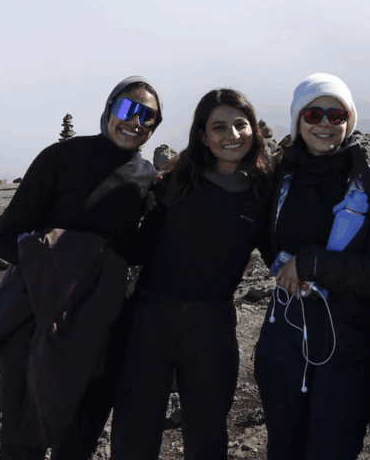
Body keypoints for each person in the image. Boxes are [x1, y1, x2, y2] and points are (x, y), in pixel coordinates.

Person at [0, 76, 162, 460]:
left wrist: (162, 215)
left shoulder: (146, 177)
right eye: (128, 108)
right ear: (109, 108)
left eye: (149, 117)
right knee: (21, 443)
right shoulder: (60, 157)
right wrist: (63, 266)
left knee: (78, 442)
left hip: (100, 324)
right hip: (36, 318)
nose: (136, 121)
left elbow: (132, 251)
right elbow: (7, 237)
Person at [110, 88, 273, 460]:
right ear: (202, 135)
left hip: (211, 327)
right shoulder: (175, 182)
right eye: (219, 127)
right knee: (133, 438)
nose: (231, 135)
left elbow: (277, 251)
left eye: (240, 124)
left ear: (254, 129)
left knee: (207, 439)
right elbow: (138, 249)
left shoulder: (263, 192)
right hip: (148, 323)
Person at [254, 73, 370, 460]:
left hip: (347, 347)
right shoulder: (279, 180)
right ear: (297, 120)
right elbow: (266, 243)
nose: (325, 124)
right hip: (284, 339)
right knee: (283, 448)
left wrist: (311, 263)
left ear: (349, 121)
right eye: (313, 114)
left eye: (337, 115)